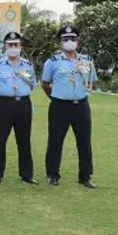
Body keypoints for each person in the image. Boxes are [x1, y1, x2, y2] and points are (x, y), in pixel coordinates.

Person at [42, 26, 98, 188]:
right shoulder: (52, 62)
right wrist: (56, 96)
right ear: (61, 42)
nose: (70, 42)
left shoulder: (87, 60)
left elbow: (91, 80)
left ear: (78, 40)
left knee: (84, 142)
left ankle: (85, 176)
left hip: (81, 105)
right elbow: (45, 84)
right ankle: (52, 174)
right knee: (55, 141)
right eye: (66, 39)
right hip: (60, 106)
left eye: (73, 38)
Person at [0, 32, 37, 185]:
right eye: (10, 44)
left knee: (24, 140)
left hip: (23, 104)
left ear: (21, 46)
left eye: (16, 44)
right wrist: (4, 96)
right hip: (4, 104)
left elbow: (32, 84)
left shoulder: (27, 65)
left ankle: (26, 174)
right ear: (5, 46)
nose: (13, 47)